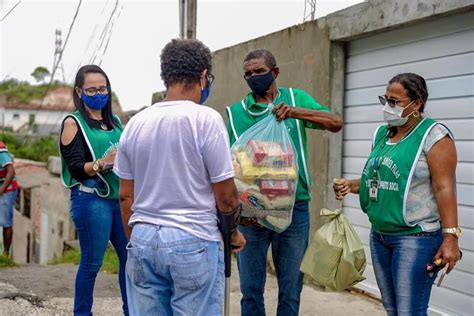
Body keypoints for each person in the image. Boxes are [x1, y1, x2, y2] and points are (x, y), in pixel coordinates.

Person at [114, 38, 246, 316]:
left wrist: (137, 238)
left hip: (143, 238)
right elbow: (225, 196)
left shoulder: (134, 124)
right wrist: (232, 233)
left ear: (166, 77)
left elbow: (126, 196)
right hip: (193, 239)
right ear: (202, 76)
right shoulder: (205, 120)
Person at [226, 49, 343, 316]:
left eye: (259, 71)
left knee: (291, 289)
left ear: (275, 72)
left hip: (294, 209)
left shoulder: (294, 98)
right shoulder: (235, 114)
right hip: (251, 213)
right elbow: (228, 166)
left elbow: (335, 122)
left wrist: (295, 112)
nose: (253, 77)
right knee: (251, 290)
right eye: (248, 74)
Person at [333, 73, 461, 315]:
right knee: (393, 309)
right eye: (385, 99)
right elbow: (382, 179)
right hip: (380, 236)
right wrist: (350, 185)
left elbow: (444, 188)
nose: (387, 107)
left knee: (409, 311)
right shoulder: (382, 134)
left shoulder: (434, 136)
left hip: (416, 238)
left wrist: (451, 237)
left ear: (417, 103)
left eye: (395, 102)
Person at [60, 65, 128, 316]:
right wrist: (103, 162)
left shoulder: (115, 121)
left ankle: (131, 310)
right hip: (91, 200)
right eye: (92, 89)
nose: (99, 93)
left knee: (129, 260)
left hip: (118, 198)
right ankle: (82, 313)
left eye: (103, 88)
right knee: (92, 263)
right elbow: (76, 168)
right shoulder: (73, 123)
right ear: (79, 91)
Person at [0, 141, 19, 258]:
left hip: (7, 187)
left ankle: (6, 253)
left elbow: (11, 172)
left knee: (5, 221)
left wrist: (1, 190)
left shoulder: (1, 150)